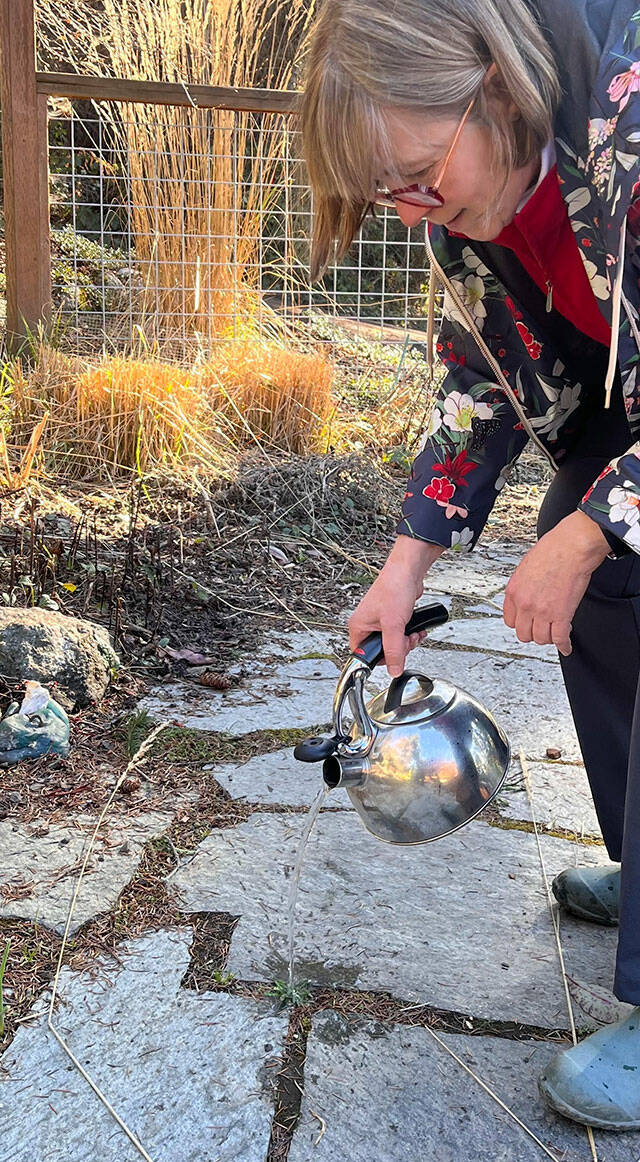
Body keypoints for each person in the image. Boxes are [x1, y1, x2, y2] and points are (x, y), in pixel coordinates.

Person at [301, 0, 640, 1132]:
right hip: (617, 413)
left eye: (414, 173)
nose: (411, 208)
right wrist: (404, 565)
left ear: (490, 81)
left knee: (609, 558)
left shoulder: (626, 111)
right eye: (386, 194)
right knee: (605, 603)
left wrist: (592, 530)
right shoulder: (466, 203)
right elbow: (479, 384)